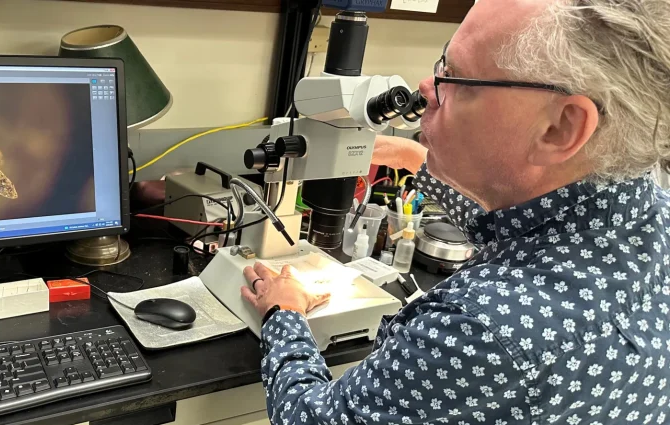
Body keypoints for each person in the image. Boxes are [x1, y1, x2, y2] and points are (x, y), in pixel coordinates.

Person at [240, 0, 670, 424]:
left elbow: (311, 419)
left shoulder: (480, 328)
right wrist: (414, 158)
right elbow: (525, 226)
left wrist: (285, 315)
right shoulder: (650, 217)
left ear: (561, 128)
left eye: (455, 76)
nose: (427, 88)